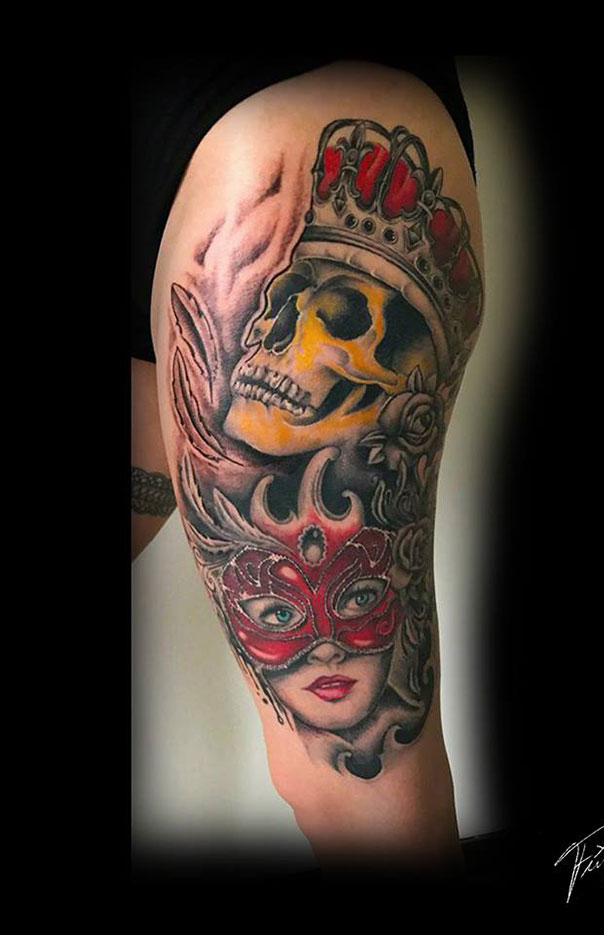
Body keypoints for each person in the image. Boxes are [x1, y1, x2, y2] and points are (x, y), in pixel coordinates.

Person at [131, 53, 483, 877]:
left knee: (362, 791)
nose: (270, 335)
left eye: (326, 319)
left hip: (265, 111)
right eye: (281, 312)